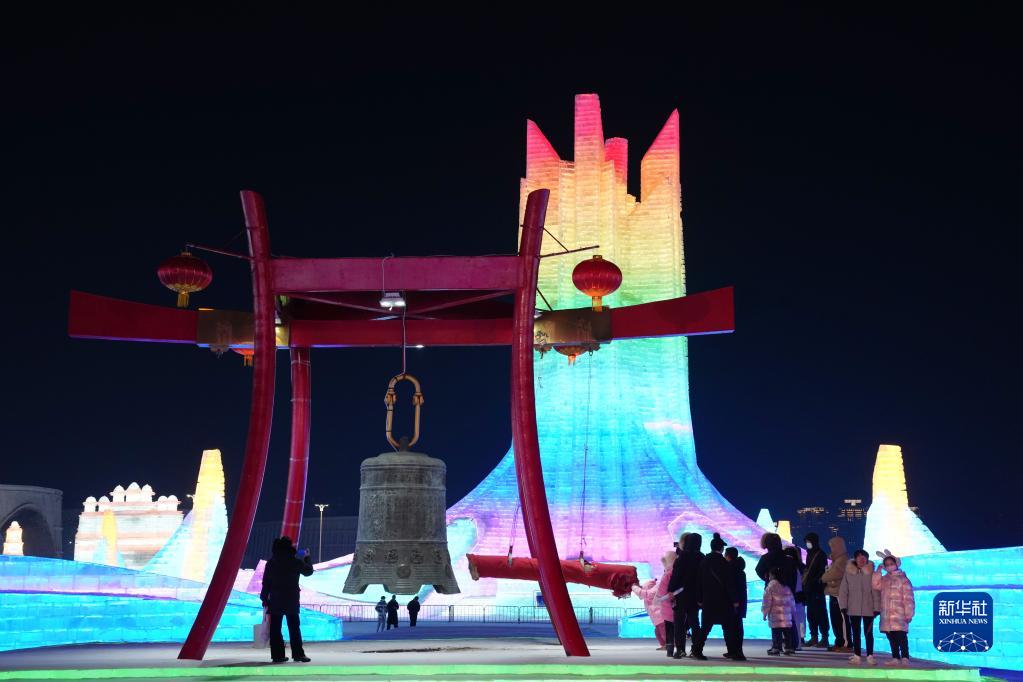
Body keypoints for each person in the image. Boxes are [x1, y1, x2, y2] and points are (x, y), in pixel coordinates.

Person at [259, 537, 314, 664]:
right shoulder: (294, 562)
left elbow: (266, 582)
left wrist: (264, 598)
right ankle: (298, 654)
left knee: (275, 628)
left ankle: (277, 655)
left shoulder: (271, 563)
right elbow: (308, 572)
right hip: (291, 598)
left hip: (275, 599)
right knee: (294, 627)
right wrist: (307, 558)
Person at [695, 533, 744, 661]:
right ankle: (732, 651)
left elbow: (699, 582)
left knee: (705, 628)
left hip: (708, 600)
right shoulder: (724, 563)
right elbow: (729, 583)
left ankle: (697, 650)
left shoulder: (704, 561)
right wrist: (734, 600)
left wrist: (699, 599)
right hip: (723, 601)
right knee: (727, 628)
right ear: (721, 549)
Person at [872, 551, 915, 667]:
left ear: (896, 564)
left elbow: (908, 597)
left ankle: (905, 657)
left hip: (899, 614)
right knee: (891, 637)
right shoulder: (885, 579)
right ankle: (895, 657)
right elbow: (875, 585)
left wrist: (909, 613)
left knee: (901, 636)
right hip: (887, 614)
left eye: (891, 563)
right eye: (887, 565)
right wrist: (878, 571)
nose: (889, 566)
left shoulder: (903, 579)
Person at [840, 549, 881, 665]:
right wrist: (843, 606)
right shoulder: (848, 573)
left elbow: (876, 592)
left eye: (864, 557)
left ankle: (870, 655)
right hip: (853, 607)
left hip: (869, 607)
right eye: (859, 557)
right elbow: (843, 591)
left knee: (868, 633)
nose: (861, 559)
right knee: (856, 632)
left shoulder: (871, 573)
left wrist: (877, 608)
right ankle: (857, 655)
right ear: (855, 559)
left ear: (867, 559)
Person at [667, 532, 703, 659]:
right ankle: (697, 650)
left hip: (681, 595)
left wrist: (670, 590)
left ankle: (680, 649)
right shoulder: (701, 557)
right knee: (695, 623)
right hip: (695, 596)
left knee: (679, 623)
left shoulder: (681, 557)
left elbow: (675, 576)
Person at [632, 552, 672, 650]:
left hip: (661, 615)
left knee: (663, 631)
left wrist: (634, 587)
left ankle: (668, 645)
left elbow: (645, 594)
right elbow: (643, 594)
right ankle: (665, 645)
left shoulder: (657, 587)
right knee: (658, 632)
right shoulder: (659, 584)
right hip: (657, 617)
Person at [820, 535, 851, 651]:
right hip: (834, 593)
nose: (831, 549)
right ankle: (839, 641)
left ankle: (846, 643)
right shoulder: (836, 560)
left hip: (840, 595)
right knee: (835, 620)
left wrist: (825, 578)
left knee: (842, 620)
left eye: (832, 546)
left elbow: (831, 575)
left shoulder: (842, 560)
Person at [802, 532, 830, 648]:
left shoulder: (821, 554)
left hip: (817, 589)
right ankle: (814, 636)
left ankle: (824, 637)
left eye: (809, 541)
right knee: (811, 614)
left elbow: (822, 571)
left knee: (820, 613)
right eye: (806, 542)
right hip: (809, 589)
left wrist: (816, 582)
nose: (807, 544)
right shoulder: (810, 553)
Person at [762, 566, 796, 655]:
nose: (769, 577)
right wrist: (793, 612)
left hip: (775, 614)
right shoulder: (786, 586)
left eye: (770, 575)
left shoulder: (770, 586)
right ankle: (788, 647)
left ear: (773, 575)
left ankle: (776, 648)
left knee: (776, 631)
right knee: (787, 631)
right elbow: (791, 600)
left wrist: (765, 612)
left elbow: (767, 601)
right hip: (786, 614)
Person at [723, 547, 748, 661]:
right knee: (738, 627)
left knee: (731, 628)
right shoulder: (740, 570)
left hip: (732, 603)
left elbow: (730, 587)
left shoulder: (729, 570)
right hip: (740, 603)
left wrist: (734, 601)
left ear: (728, 556)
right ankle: (737, 651)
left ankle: (735, 652)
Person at [783, 546, 806, 651]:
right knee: (800, 619)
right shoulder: (800, 567)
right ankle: (799, 641)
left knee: (792, 620)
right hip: (799, 596)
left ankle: (794, 642)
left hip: (792, 596)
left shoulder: (787, 567)